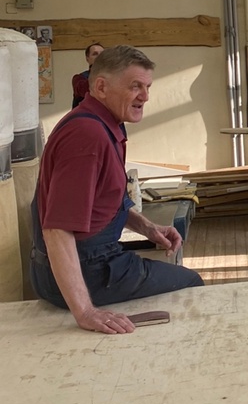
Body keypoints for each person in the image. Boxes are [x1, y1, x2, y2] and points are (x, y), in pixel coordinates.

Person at [31, 45, 203, 335]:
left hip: (88, 262)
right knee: (191, 283)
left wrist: (148, 228)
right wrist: (85, 311)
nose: (145, 96)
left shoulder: (104, 123)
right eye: (135, 86)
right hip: (88, 269)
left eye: (147, 87)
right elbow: (56, 229)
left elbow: (105, 199)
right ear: (101, 87)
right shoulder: (87, 135)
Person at [71, 41, 104, 108]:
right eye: (95, 54)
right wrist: (97, 70)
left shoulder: (112, 77)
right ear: (87, 58)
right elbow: (85, 91)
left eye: (102, 54)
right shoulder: (79, 78)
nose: (99, 57)